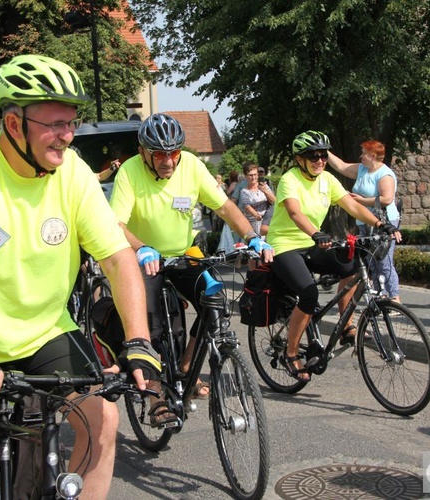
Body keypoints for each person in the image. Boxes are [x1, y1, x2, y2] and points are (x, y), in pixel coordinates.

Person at [0, 54, 159, 499]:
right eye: (55, 124)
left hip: (44, 332)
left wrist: (139, 341)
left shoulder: (75, 174)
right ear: (13, 123)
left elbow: (119, 258)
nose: (68, 136)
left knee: (103, 421)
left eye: (71, 123)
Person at [110, 113, 272, 419]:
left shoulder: (192, 166)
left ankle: (187, 363)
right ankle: (155, 393)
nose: (168, 161)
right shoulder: (129, 172)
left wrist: (252, 236)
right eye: (159, 153)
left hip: (184, 253)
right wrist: (141, 247)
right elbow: (115, 222)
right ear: (143, 151)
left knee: (216, 299)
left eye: (174, 153)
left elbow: (224, 206)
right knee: (151, 322)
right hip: (145, 259)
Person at [267, 131, 398, 381]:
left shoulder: (327, 179)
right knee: (308, 293)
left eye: (323, 156)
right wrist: (316, 233)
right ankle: (291, 353)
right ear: (300, 159)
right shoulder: (289, 179)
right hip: (284, 245)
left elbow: (353, 206)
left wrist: (381, 224)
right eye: (313, 156)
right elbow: (295, 213)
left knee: (351, 269)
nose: (319, 160)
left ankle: (346, 323)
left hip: (312, 242)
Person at [328, 140, 402, 301]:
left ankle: (394, 297)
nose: (360, 156)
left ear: (372, 155)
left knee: (383, 260)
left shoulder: (384, 174)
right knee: (371, 260)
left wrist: (361, 201)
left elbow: (387, 198)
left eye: (363, 153)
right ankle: (380, 294)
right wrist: (324, 150)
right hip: (365, 223)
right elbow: (340, 166)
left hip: (384, 223)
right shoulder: (362, 169)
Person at [238, 162, 274, 237]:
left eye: (255, 174)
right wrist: (256, 215)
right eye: (250, 175)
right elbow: (247, 207)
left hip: (268, 221)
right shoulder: (244, 192)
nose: (253, 177)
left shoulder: (264, 186)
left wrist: (265, 191)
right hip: (254, 223)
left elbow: (274, 201)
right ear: (245, 176)